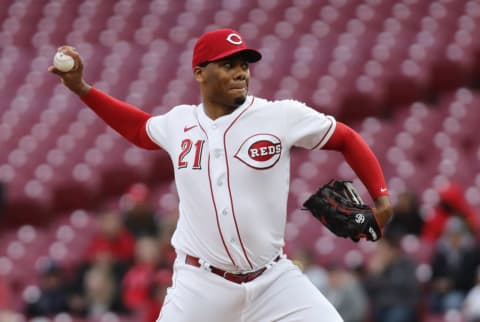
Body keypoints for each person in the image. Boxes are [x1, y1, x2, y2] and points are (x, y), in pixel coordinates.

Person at [49, 28, 393, 322]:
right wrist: (82, 89)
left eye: (244, 66)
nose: (240, 73)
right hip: (201, 284)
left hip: (273, 279)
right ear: (200, 73)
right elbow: (139, 129)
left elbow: (346, 138)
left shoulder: (280, 116)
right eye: (228, 65)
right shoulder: (179, 122)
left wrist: (380, 196)